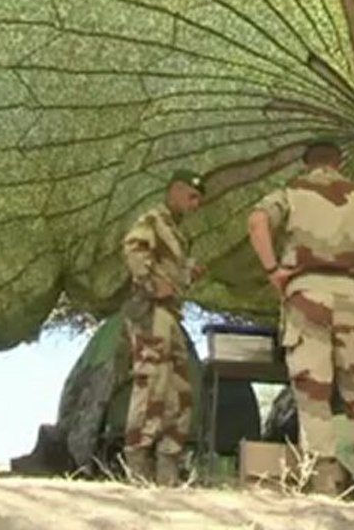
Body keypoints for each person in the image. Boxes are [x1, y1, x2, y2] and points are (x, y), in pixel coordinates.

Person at [247, 141, 354, 498]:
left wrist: (273, 271)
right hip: (352, 302)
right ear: (340, 163)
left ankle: (324, 481)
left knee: (314, 395)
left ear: (307, 164)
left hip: (306, 296)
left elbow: (257, 222)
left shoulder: (292, 192)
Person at [120, 169, 206, 486]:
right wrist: (150, 284)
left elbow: (170, 271)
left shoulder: (176, 232)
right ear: (174, 191)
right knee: (152, 383)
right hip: (151, 311)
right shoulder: (153, 220)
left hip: (170, 314)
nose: (195, 205)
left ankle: (168, 466)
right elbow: (134, 248)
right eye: (192, 196)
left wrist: (187, 274)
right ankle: (138, 466)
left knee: (179, 390)